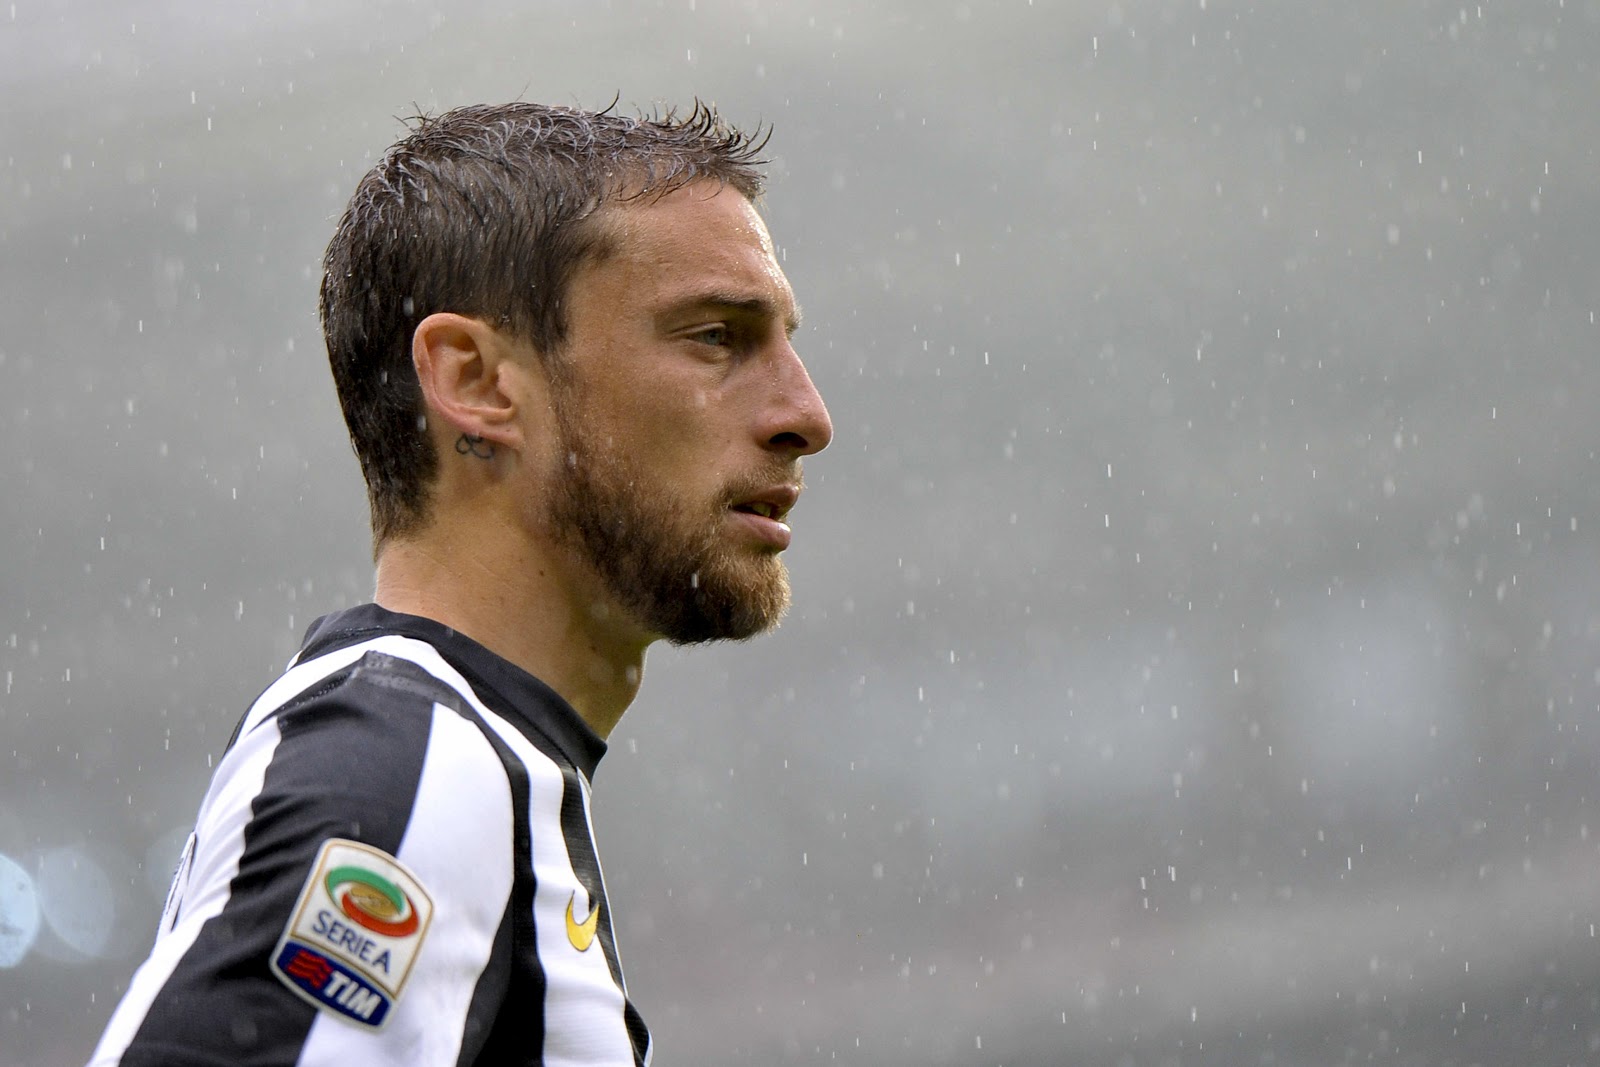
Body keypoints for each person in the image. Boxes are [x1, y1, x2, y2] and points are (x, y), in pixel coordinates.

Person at [86, 101, 832, 1067]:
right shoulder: (412, 764)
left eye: (785, 342)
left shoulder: (461, 760)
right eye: (717, 337)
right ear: (476, 381)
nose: (806, 414)